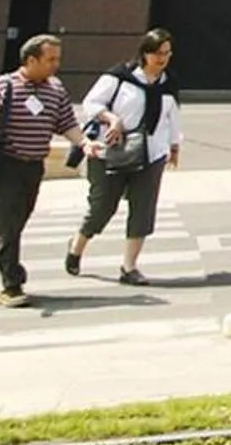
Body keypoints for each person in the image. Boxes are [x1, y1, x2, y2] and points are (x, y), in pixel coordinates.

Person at [0, 34, 91, 307]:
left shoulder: (55, 90)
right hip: (6, 165)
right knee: (9, 226)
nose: (56, 64)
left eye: (57, 59)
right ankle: (12, 284)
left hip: (33, 167)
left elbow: (67, 124)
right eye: (50, 59)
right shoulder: (2, 87)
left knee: (12, 225)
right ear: (31, 60)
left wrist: (86, 143)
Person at [66, 29, 183, 285]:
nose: (162, 59)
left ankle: (129, 267)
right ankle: (77, 247)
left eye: (167, 53)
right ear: (144, 53)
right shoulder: (119, 77)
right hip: (112, 151)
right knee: (102, 207)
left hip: (152, 153)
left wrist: (174, 146)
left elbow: (172, 116)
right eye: (157, 53)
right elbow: (91, 103)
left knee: (143, 210)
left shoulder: (168, 83)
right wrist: (112, 119)